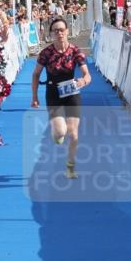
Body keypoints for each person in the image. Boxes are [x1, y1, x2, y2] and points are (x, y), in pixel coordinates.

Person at [30, 17, 91, 180]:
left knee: (73, 134)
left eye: (62, 30)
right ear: (51, 34)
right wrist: (34, 97)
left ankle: (70, 166)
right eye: (55, 31)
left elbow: (87, 74)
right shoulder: (46, 53)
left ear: (67, 32)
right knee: (60, 132)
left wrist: (83, 81)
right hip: (53, 93)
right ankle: (57, 133)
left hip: (72, 92)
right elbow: (36, 74)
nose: (59, 33)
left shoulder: (75, 51)